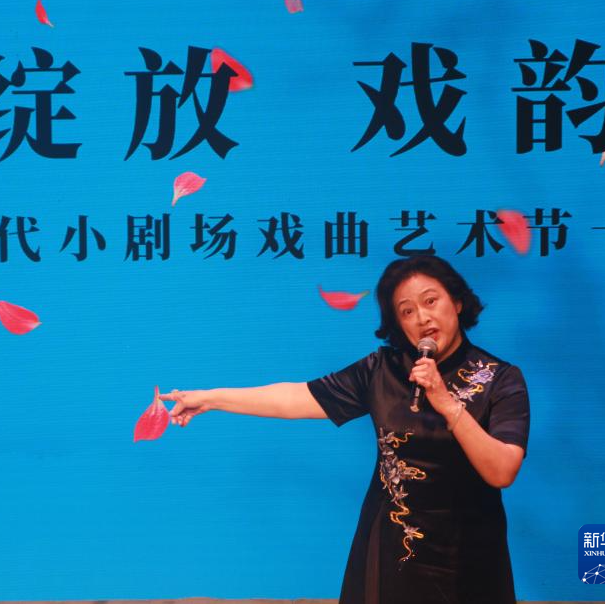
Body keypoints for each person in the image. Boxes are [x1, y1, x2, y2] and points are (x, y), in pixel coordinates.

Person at [160, 255, 529, 604]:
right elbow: (296, 397)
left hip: (468, 552)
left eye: (431, 301)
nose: (422, 317)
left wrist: (445, 402)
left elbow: (502, 470)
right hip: (393, 549)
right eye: (407, 311)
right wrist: (210, 399)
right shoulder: (383, 370)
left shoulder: (501, 379)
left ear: (458, 302)